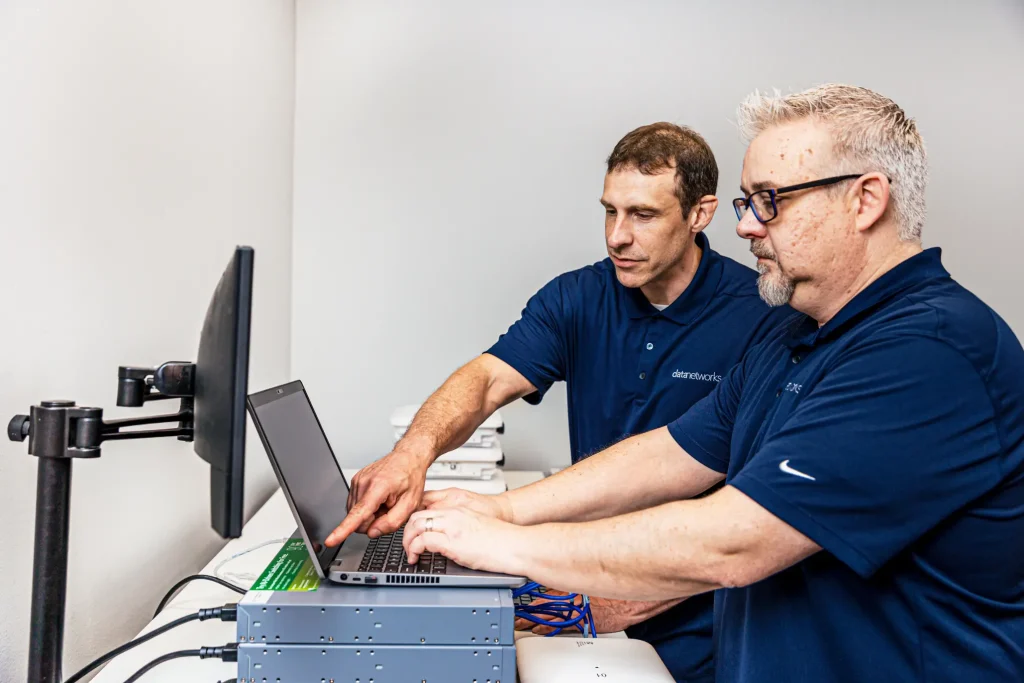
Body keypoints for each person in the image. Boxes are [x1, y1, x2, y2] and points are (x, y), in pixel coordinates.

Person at [399, 83, 1024, 682]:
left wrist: (504, 544)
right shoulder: (796, 332)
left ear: (865, 199)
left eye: (770, 200)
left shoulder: (928, 351)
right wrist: (496, 508)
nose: (748, 226)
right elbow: (669, 454)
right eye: (748, 203)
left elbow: (734, 541)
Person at [326, 122, 792, 681]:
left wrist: (595, 604)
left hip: (700, 622)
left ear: (700, 213)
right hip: (586, 585)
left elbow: (752, 519)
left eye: (642, 215)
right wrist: (413, 453)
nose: (617, 236)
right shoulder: (580, 297)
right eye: (609, 211)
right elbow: (485, 380)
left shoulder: (763, 316)